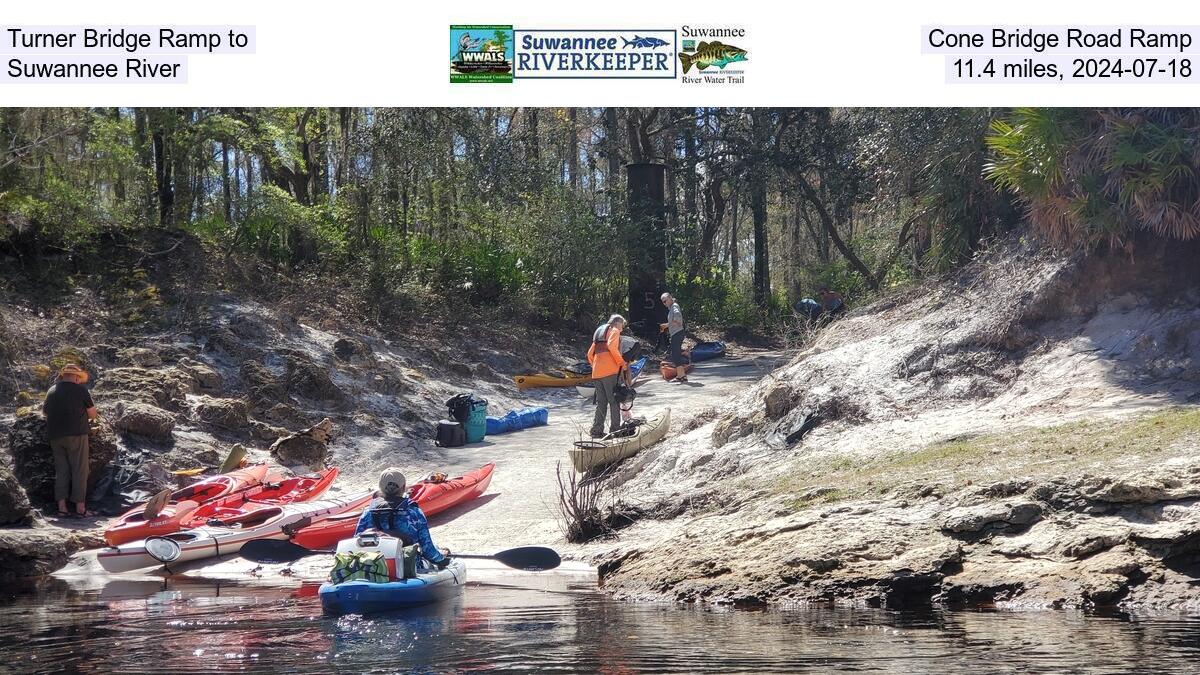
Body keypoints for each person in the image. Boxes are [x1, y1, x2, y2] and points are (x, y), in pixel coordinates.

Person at [354, 468, 451, 569]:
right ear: (404, 487)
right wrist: (442, 559)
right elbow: (428, 551)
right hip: (408, 568)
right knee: (439, 553)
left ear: (380, 487)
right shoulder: (414, 512)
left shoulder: (367, 512)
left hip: (372, 567)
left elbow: (356, 542)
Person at [42, 364, 97, 517]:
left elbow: (45, 412)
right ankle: (80, 508)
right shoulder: (81, 390)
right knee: (80, 469)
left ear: (63, 375)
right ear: (76, 377)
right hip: (77, 434)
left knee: (61, 471)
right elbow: (93, 414)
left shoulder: (51, 391)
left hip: (55, 436)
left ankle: (62, 508)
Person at [587, 314, 630, 438]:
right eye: (622, 326)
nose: (622, 329)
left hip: (596, 373)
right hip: (609, 372)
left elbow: (589, 354)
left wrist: (596, 366)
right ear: (618, 323)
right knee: (614, 401)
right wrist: (621, 363)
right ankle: (615, 430)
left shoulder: (600, 333)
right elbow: (611, 346)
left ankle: (596, 431)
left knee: (601, 403)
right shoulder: (614, 331)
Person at [660, 292, 688, 383]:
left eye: (665, 301)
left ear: (670, 298)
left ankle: (681, 375)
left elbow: (678, 320)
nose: (664, 303)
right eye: (663, 302)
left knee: (676, 355)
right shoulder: (671, 308)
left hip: (678, 333)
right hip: (676, 333)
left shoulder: (674, 307)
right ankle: (681, 376)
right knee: (676, 354)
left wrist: (667, 325)